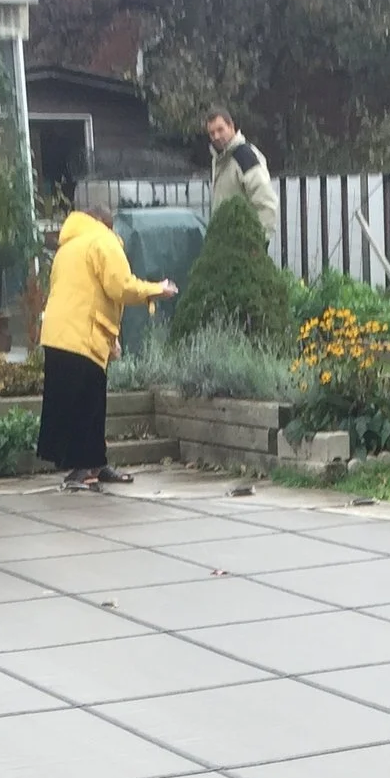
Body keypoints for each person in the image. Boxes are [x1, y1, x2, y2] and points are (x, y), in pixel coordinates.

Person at [37, 204, 177, 491]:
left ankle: (91, 466)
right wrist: (156, 289)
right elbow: (120, 287)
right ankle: (84, 468)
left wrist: (110, 339)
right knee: (88, 405)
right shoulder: (102, 241)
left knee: (72, 404)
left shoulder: (67, 248)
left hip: (58, 333)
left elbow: (85, 293)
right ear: (106, 224)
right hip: (82, 335)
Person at [203, 108, 279, 231]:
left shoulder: (245, 156)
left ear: (231, 126)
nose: (216, 136)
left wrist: (258, 242)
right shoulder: (219, 159)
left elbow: (266, 203)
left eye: (220, 130)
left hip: (244, 241)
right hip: (226, 239)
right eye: (212, 133)